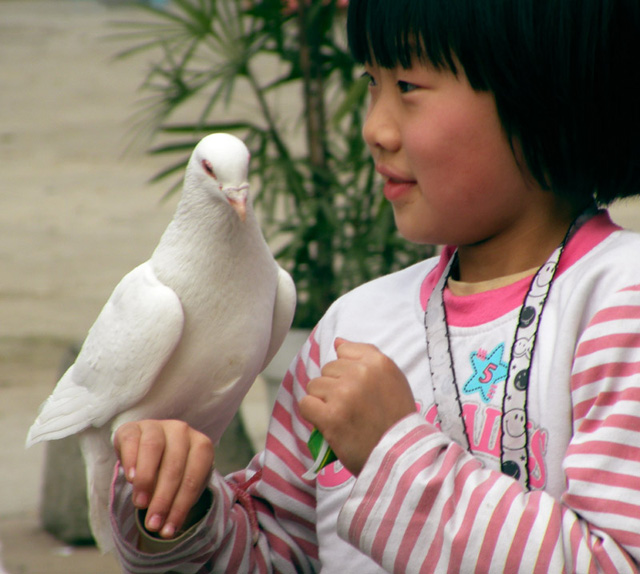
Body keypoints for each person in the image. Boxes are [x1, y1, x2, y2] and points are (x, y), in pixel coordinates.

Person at [110, 0, 640, 571]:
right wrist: (181, 510)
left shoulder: (618, 306)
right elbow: (284, 551)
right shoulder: (352, 329)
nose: (375, 128)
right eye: (371, 81)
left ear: (541, 92)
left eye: (408, 85)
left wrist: (394, 452)